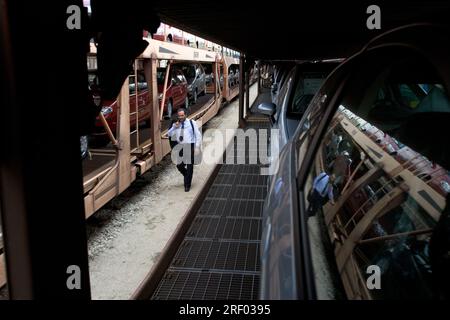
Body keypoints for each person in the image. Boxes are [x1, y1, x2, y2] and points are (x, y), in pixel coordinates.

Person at [168, 108, 202, 192]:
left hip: (190, 146)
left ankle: (187, 185)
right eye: (179, 116)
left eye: (182, 115)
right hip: (180, 146)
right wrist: (174, 128)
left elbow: (198, 135)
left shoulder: (191, 123)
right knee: (179, 166)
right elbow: (169, 134)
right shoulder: (176, 124)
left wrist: (197, 147)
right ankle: (187, 175)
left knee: (189, 166)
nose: (181, 117)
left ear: (185, 115)